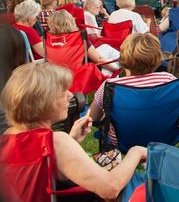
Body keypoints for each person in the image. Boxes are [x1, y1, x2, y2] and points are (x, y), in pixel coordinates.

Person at [1, 63, 147, 199]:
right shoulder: (56, 141)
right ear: (43, 102)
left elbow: (39, 169)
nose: (70, 95)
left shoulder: (6, 137)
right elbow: (110, 188)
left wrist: (71, 141)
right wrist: (136, 152)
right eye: (63, 91)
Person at [89, 32, 175, 144]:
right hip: (164, 138)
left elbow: (92, 118)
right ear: (158, 57)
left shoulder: (110, 86)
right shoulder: (168, 80)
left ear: (123, 58)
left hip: (122, 140)